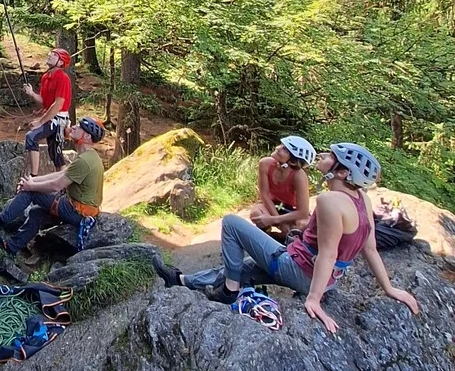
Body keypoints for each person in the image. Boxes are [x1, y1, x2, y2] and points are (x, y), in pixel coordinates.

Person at [152, 143, 421, 334]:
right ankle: (182, 281)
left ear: (341, 172)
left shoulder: (329, 200)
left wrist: (313, 299)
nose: (324, 154)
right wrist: (389, 288)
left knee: (232, 224)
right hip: (322, 278)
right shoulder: (362, 198)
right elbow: (370, 249)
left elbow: (327, 253)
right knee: (244, 267)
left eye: (331, 155)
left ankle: (229, 290)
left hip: (299, 270)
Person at [0, 117, 105, 255]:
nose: (73, 127)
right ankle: (12, 246)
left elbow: (56, 185)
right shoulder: (89, 157)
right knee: (36, 212)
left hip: (77, 212)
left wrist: (31, 187)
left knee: (30, 193)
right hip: (80, 209)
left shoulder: (84, 161)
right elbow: (60, 175)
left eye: (79, 126)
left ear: (87, 136)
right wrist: (33, 181)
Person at [249, 136, 315, 240]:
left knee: (302, 225)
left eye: (285, 149)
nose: (278, 148)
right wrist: (277, 221)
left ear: (293, 161)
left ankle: (282, 238)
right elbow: (264, 194)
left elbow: (302, 212)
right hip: (273, 206)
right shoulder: (265, 163)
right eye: (281, 145)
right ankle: (268, 236)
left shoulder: (299, 176)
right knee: (256, 214)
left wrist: (274, 220)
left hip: (292, 212)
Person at [21, 48, 73, 176]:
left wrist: (41, 121)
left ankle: (33, 176)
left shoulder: (63, 78)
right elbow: (45, 101)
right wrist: (32, 93)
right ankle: (62, 184)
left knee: (32, 137)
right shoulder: (46, 77)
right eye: (51, 54)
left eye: (54, 55)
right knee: (55, 153)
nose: (50, 56)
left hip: (58, 119)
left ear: (61, 63)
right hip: (52, 117)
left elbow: (58, 104)